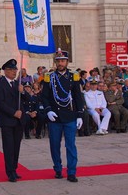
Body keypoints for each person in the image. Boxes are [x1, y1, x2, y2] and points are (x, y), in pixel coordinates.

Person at [42, 48, 84, 182]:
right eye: (58, 61)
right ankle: (58, 169)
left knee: (70, 145)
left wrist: (79, 115)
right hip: (54, 117)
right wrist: (48, 110)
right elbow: (44, 97)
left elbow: (78, 97)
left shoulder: (74, 76)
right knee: (54, 145)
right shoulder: (49, 77)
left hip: (70, 116)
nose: (61, 63)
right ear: (55, 62)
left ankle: (71, 172)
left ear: (67, 62)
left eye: (63, 61)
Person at [0, 59, 26, 182]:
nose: (14, 72)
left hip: (19, 121)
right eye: (12, 70)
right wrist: (13, 113)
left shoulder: (17, 83)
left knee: (16, 146)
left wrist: (22, 92)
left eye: (15, 69)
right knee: (8, 147)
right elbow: (0, 103)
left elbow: (26, 98)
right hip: (8, 120)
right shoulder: (0, 84)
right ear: (6, 71)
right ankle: (10, 172)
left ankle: (14, 168)